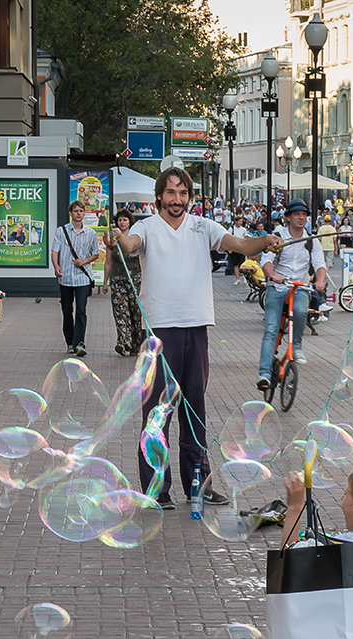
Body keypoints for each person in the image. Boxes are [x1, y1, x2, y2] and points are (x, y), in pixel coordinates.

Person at [111, 167, 281, 510]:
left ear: (190, 196)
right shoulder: (146, 227)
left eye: (183, 193)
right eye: (171, 193)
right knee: (157, 411)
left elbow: (242, 245)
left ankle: (197, 485)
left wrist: (265, 241)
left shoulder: (203, 226)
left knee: (193, 408)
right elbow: (131, 245)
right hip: (160, 331)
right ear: (160, 196)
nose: (177, 200)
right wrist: (118, 236)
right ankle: (156, 488)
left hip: (196, 328)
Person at [257, 198, 327, 389]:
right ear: (288, 217)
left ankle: (296, 347)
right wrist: (273, 275)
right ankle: (263, 374)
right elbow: (266, 260)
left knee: (300, 310)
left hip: (300, 287)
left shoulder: (311, 241)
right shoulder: (278, 237)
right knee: (271, 329)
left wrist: (320, 280)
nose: (301, 217)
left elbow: (320, 265)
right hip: (279, 287)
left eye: (304, 214)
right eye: (296, 214)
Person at [51, 200, 99, 357]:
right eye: (76, 211)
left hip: (82, 279)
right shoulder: (61, 231)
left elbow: (96, 254)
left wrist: (83, 262)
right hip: (65, 277)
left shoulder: (90, 233)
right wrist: (56, 266)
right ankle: (70, 341)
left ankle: (79, 343)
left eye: (81, 211)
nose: (79, 213)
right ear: (70, 213)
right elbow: (54, 250)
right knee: (67, 310)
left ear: (84, 213)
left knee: (81, 310)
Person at [102, 209, 144, 357]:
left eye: (125, 220)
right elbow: (108, 262)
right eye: (120, 220)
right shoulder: (111, 239)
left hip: (135, 279)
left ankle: (136, 344)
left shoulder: (135, 237)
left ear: (129, 222)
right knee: (120, 310)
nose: (122, 222)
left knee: (135, 311)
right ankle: (123, 342)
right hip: (117, 279)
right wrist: (105, 282)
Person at [228, 215, 248, 285]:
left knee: (242, 263)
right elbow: (229, 239)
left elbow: (245, 238)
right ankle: (237, 279)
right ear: (236, 222)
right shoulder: (231, 229)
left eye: (241, 221)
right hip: (234, 248)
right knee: (235, 264)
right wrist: (229, 248)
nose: (240, 223)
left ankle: (244, 278)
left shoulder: (244, 229)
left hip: (241, 248)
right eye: (239, 221)